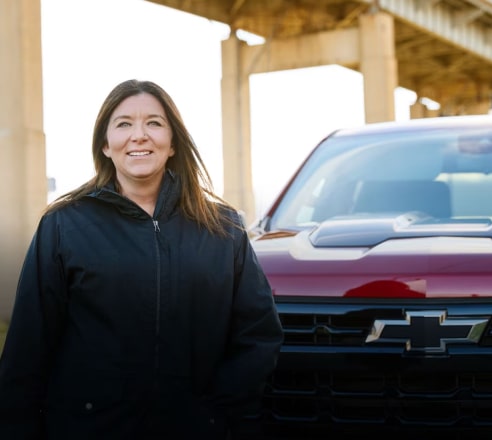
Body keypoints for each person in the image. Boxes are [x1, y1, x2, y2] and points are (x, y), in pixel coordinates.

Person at [0, 79, 283, 440]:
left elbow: (259, 335)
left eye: (154, 122)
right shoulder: (63, 226)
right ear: (105, 145)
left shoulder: (223, 229)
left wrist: (216, 413)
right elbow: (27, 349)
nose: (139, 135)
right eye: (123, 124)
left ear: (172, 143)